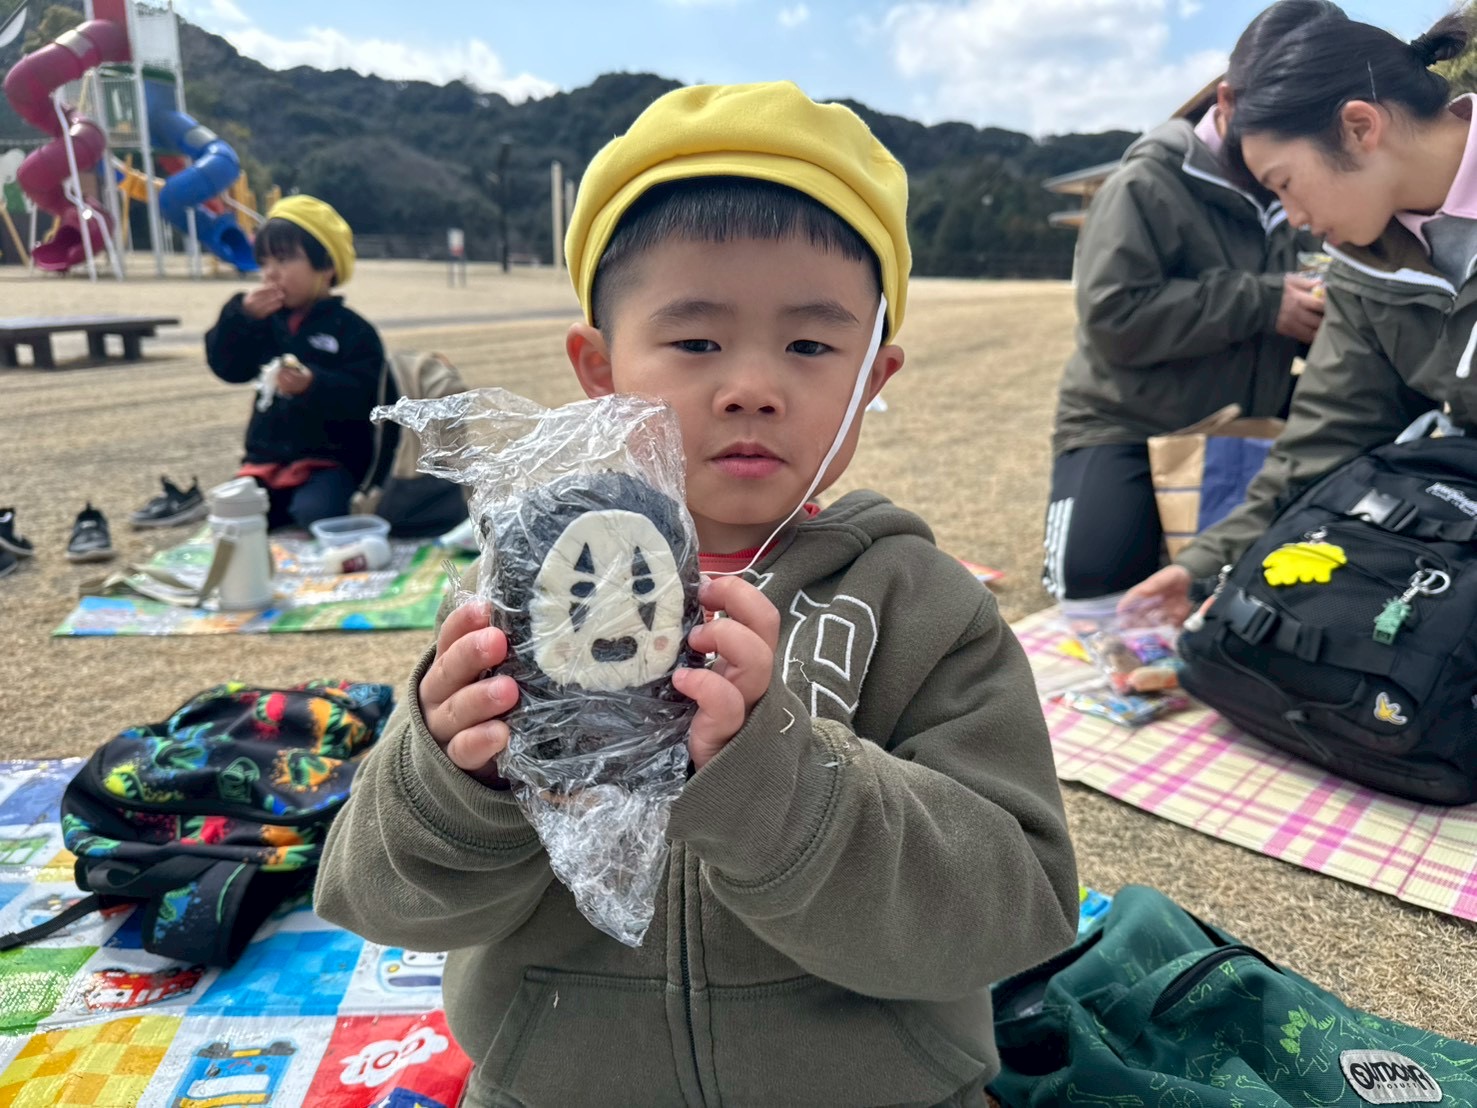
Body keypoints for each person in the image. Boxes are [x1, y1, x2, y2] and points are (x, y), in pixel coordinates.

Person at [315, 81, 1079, 1107]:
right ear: (599, 366)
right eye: (696, 342)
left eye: (810, 345)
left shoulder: (920, 609)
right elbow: (374, 899)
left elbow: (1017, 911)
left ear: (872, 375)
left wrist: (778, 778)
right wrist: (461, 781)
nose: (752, 385)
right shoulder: (528, 598)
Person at [1123, 1, 1473, 625]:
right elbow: (1326, 441)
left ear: (1359, 127)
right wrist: (1204, 564)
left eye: (1285, 183)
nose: (1296, 218)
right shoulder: (1367, 269)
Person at [1044, 64, 1326, 603]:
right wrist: (1264, 302)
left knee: (1270, 586)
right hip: (1127, 420)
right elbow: (1112, 316)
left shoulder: (1301, 194)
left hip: (1251, 424)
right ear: (1227, 101)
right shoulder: (1144, 183)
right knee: (1093, 581)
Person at [202, 195, 392, 531]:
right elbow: (228, 367)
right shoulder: (264, 321)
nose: (270, 273)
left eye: (284, 260)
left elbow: (369, 396)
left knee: (314, 514)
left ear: (326, 266)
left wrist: (313, 385)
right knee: (236, 513)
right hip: (265, 460)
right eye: (264, 262)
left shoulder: (352, 330)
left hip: (330, 461)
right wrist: (240, 317)